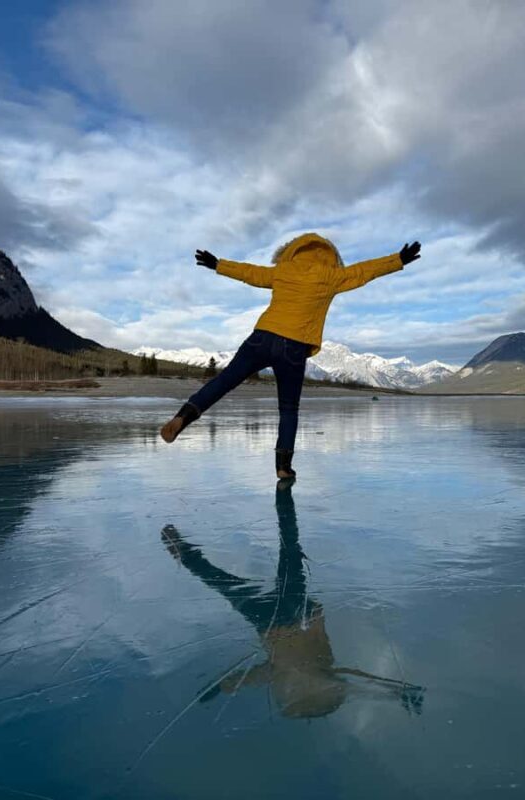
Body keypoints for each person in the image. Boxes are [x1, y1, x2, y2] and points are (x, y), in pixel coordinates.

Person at [160, 232, 422, 478]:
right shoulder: (332, 276)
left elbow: (250, 273)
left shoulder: (283, 270)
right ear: (331, 256)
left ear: (293, 251)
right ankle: (283, 467)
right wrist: (398, 260)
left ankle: (183, 417)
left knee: (223, 381)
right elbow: (366, 271)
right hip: (294, 347)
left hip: (262, 337)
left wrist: (218, 264)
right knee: (288, 409)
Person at [161, 484, 425, 719]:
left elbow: (249, 679)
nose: (294, 691)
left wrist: (219, 688)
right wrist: (396, 692)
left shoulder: (281, 676)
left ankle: (186, 552)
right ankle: (282, 504)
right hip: (296, 614)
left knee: (230, 579)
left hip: (271, 621)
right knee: (277, 559)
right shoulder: (324, 677)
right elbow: (359, 684)